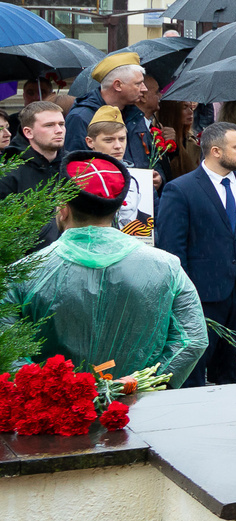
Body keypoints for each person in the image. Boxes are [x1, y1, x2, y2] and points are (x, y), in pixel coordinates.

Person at [10, 152, 206, 386]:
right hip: (137, 410)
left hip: (54, 415)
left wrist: (54, 392)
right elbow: (191, 340)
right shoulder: (166, 267)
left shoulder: (22, 274)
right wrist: (142, 384)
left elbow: (9, 351)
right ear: (117, 210)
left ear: (62, 208)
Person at [154, 120, 236, 387]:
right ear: (215, 151)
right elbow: (172, 249)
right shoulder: (181, 189)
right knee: (195, 368)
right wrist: (182, 295)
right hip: (202, 293)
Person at [67, 59, 155, 170]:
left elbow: (150, 156)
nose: (144, 88)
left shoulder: (135, 114)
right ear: (117, 85)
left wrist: (158, 177)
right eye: (138, 84)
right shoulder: (80, 117)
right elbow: (76, 170)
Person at [0, 103, 68, 198]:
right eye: (49, 125)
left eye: (61, 124)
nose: (59, 130)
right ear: (28, 132)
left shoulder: (74, 165)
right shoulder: (9, 173)